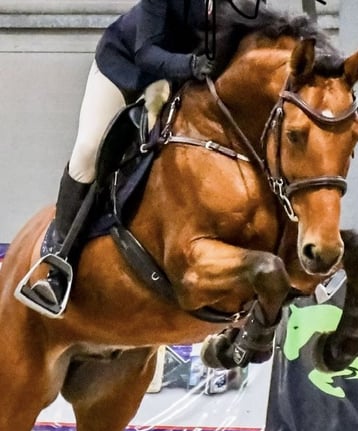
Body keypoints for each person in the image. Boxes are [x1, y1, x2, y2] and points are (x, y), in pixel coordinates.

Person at [26, 0, 216, 315]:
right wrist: (192, 65)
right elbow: (147, 53)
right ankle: (57, 263)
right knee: (89, 150)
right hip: (125, 69)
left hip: (176, 81)